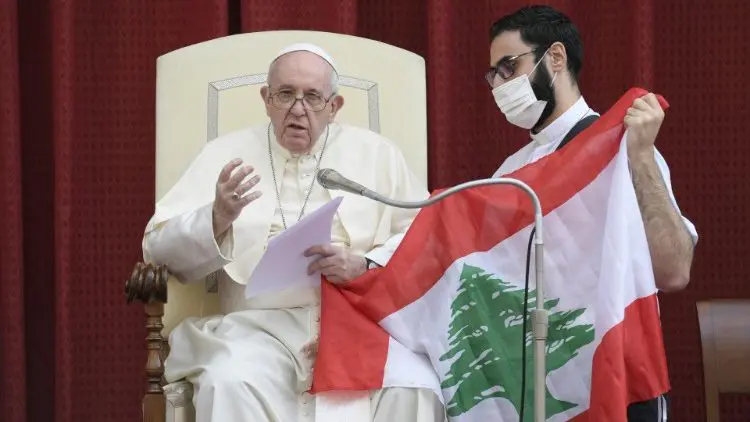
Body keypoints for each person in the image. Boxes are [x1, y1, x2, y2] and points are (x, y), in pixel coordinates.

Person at [141, 43, 445, 422]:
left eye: (313, 97)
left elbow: (425, 238)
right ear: (266, 99)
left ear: (334, 107)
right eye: (285, 94)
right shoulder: (224, 154)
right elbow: (157, 249)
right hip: (254, 330)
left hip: (359, 323)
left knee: (416, 386)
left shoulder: (377, 155)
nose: (298, 109)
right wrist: (216, 218)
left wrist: (365, 264)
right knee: (228, 379)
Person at [486, 5, 697, 421]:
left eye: (509, 67)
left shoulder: (623, 148)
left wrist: (640, 155)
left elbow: (673, 271)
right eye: (493, 75)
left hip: (614, 380)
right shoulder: (509, 173)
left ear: (555, 57)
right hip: (536, 391)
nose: (500, 85)